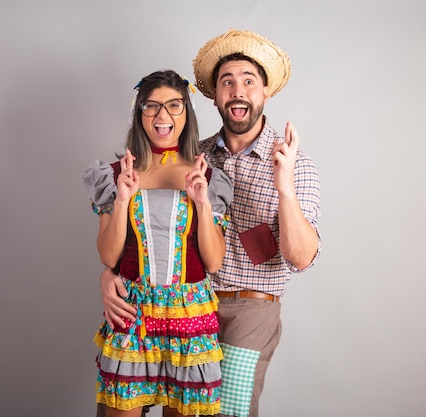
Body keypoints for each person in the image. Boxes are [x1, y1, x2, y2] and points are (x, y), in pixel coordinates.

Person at [99, 29, 321, 417]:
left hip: (247, 309)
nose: (238, 91)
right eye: (227, 82)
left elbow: (301, 258)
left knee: (225, 412)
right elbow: (142, 233)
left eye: (248, 82)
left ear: (265, 91)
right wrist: (110, 274)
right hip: (184, 303)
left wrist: (284, 188)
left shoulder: (291, 162)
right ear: (214, 96)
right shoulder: (197, 158)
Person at [83, 70, 233, 417]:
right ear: (140, 113)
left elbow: (213, 262)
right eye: (151, 106)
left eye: (173, 106)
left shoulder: (207, 177)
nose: (162, 116)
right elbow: (108, 255)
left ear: (186, 112)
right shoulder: (117, 173)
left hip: (189, 314)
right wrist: (122, 199)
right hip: (133, 313)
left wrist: (203, 203)